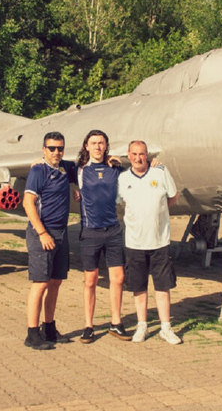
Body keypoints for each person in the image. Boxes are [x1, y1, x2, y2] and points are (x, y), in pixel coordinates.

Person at [117, 140, 182, 345]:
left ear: (147, 155)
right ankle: (142, 325)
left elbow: (172, 197)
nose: (138, 158)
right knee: (139, 287)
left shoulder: (160, 172)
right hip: (135, 242)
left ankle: (165, 327)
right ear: (129, 155)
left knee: (163, 287)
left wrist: (159, 213)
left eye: (142, 154)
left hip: (159, 241)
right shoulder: (123, 178)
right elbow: (119, 203)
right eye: (134, 154)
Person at [75, 130, 131, 343]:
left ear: (106, 146)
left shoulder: (116, 170)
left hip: (113, 230)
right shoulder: (79, 170)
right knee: (90, 281)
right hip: (90, 232)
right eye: (93, 143)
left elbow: (137, 173)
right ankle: (88, 325)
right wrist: (37, 162)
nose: (97, 147)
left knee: (118, 279)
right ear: (86, 146)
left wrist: (156, 167)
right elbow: (55, 165)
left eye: (101, 143)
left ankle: (116, 323)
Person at [22, 132, 76, 350]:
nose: (56, 152)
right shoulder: (38, 170)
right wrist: (42, 233)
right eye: (52, 148)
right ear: (43, 149)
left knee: (55, 282)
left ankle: (49, 328)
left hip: (61, 232)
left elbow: (86, 164)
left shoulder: (66, 168)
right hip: (42, 233)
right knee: (41, 283)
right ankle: (32, 334)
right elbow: (28, 203)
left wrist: (112, 161)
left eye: (60, 148)